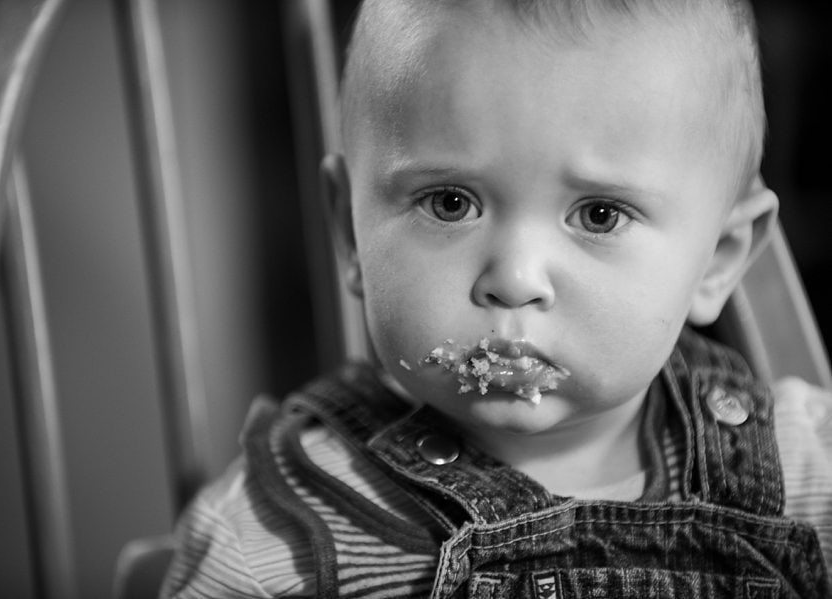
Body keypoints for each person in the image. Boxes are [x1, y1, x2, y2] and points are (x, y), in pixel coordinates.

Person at [161, 0, 832, 596]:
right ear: (349, 235)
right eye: (450, 203)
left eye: (598, 215)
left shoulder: (813, 469)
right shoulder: (280, 537)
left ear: (716, 260)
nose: (513, 278)